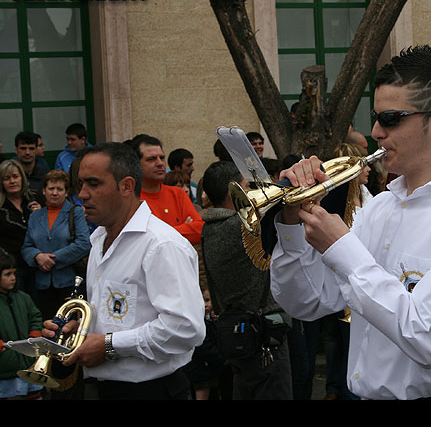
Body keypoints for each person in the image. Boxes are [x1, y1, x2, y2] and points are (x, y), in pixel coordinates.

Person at [270, 45, 431, 400]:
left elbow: (429, 338)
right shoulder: (380, 208)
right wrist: (292, 220)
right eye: (375, 117)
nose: (375, 131)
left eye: (390, 119)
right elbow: (307, 302)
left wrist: (342, 249)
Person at [41, 142, 206, 400]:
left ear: (127, 186)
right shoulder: (98, 239)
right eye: (81, 184)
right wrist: (76, 332)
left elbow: (185, 329)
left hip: (151, 391)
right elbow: (115, 317)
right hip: (105, 387)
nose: (82, 194)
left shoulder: (161, 245)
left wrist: (108, 345)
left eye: (93, 184)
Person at [200, 161, 293, 400]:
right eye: (248, 186)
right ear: (235, 192)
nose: (253, 190)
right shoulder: (242, 225)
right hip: (263, 334)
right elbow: (285, 195)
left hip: (238, 333)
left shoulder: (210, 227)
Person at [21, 169, 91, 321]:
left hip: (69, 282)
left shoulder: (75, 212)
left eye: (60, 189)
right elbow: (26, 246)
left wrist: (52, 259)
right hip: (42, 284)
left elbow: (84, 243)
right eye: (51, 188)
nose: (55, 193)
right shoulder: (35, 216)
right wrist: (37, 256)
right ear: (44, 191)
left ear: (66, 193)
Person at [129, 135, 204, 245]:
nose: (160, 163)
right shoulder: (130, 199)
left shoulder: (178, 194)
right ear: (136, 164)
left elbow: (199, 231)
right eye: (151, 159)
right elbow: (140, 242)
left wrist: (159, 235)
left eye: (162, 158)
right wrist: (183, 228)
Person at [0, 248, 44, 400]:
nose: (13, 278)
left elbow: (35, 316)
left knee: (33, 395)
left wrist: (36, 333)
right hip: (4, 366)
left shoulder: (23, 297)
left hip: (28, 361)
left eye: (14, 273)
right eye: (7, 274)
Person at [0, 160, 42, 300]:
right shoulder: (1, 207)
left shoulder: (34, 200)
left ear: (22, 178)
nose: (12, 181)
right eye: (7, 178)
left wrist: (41, 215)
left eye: (15, 177)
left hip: (38, 266)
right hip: (13, 269)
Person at [14, 131, 49, 205]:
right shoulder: (10, 174)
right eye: (23, 148)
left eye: (31, 148)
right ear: (16, 150)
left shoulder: (45, 173)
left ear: (36, 150)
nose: (27, 152)